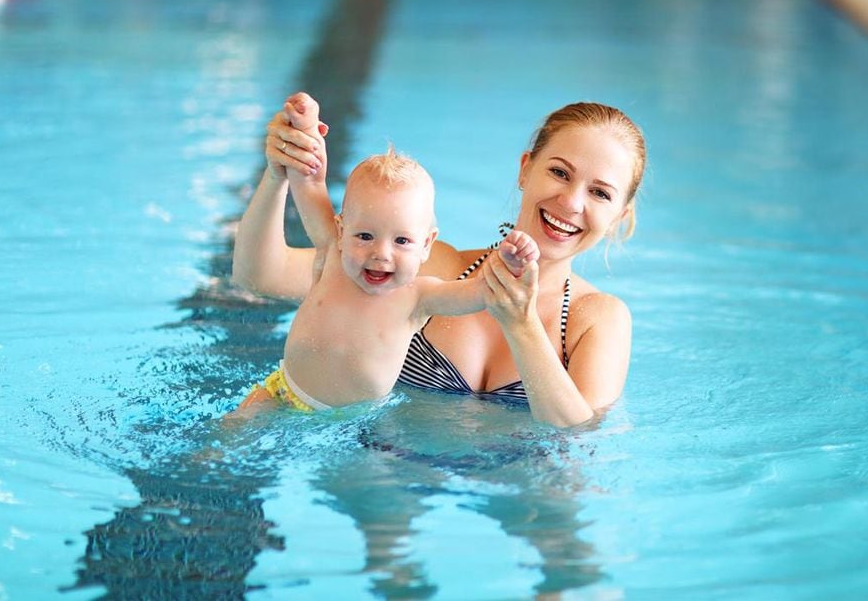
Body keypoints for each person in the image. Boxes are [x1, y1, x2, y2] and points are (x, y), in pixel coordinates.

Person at [234, 93, 645, 427]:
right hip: (378, 484)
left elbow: (581, 441)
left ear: (618, 218)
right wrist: (277, 175)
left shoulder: (597, 319)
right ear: (525, 170)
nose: (571, 202)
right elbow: (261, 277)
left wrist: (519, 323)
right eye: (560, 172)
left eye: (600, 193)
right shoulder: (419, 266)